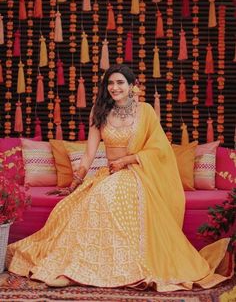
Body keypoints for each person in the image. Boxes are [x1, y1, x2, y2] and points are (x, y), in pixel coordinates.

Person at [6, 64, 233, 291]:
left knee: (104, 197)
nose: (115, 88)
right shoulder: (100, 112)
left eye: (120, 83)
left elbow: (160, 150)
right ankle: (72, 267)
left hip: (137, 174)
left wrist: (128, 160)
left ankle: (95, 269)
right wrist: (76, 181)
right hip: (110, 175)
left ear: (132, 86)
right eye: (111, 83)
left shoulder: (145, 111)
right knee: (72, 207)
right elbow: (89, 153)